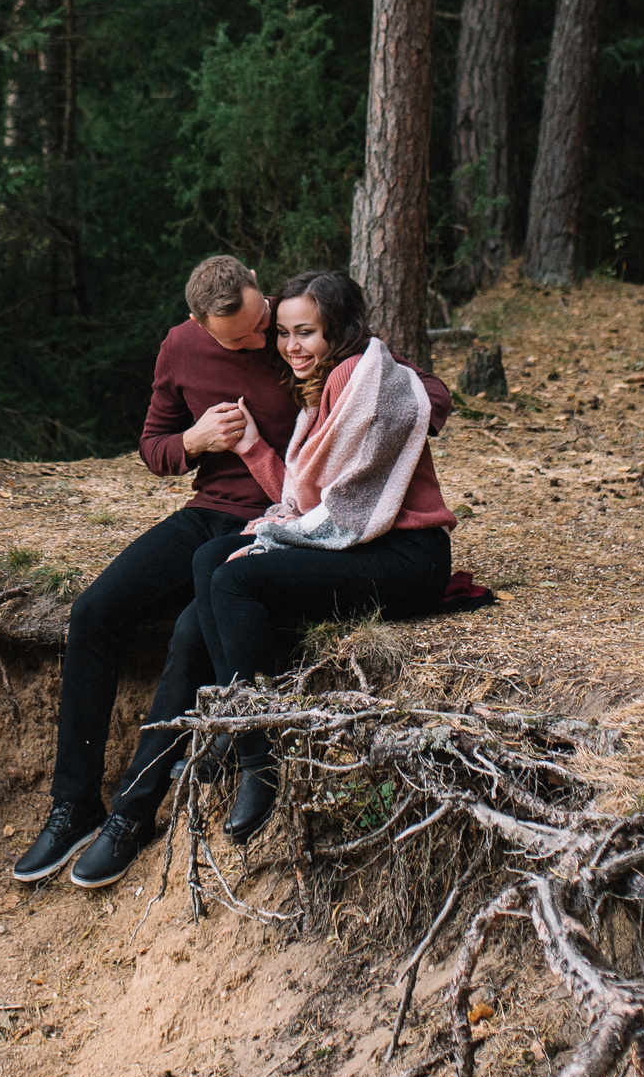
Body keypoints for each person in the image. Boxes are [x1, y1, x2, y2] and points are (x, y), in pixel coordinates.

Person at [11, 254, 298, 887]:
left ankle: (133, 813)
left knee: (191, 636)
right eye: (242, 338)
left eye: (261, 322)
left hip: (282, 522)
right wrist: (196, 442)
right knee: (93, 612)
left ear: (258, 285)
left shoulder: (297, 333)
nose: (261, 340)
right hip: (207, 513)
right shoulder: (181, 348)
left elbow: (405, 387)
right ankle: (74, 805)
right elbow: (154, 449)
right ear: (199, 324)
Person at [195, 269, 460, 842]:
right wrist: (250, 448)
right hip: (366, 544)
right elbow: (304, 498)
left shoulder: (363, 382)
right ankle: (238, 719)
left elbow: (344, 514)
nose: (292, 346)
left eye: (307, 332)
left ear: (337, 330)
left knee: (235, 579)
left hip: (406, 557)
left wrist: (267, 545)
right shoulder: (325, 391)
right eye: (285, 332)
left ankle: (257, 761)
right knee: (210, 559)